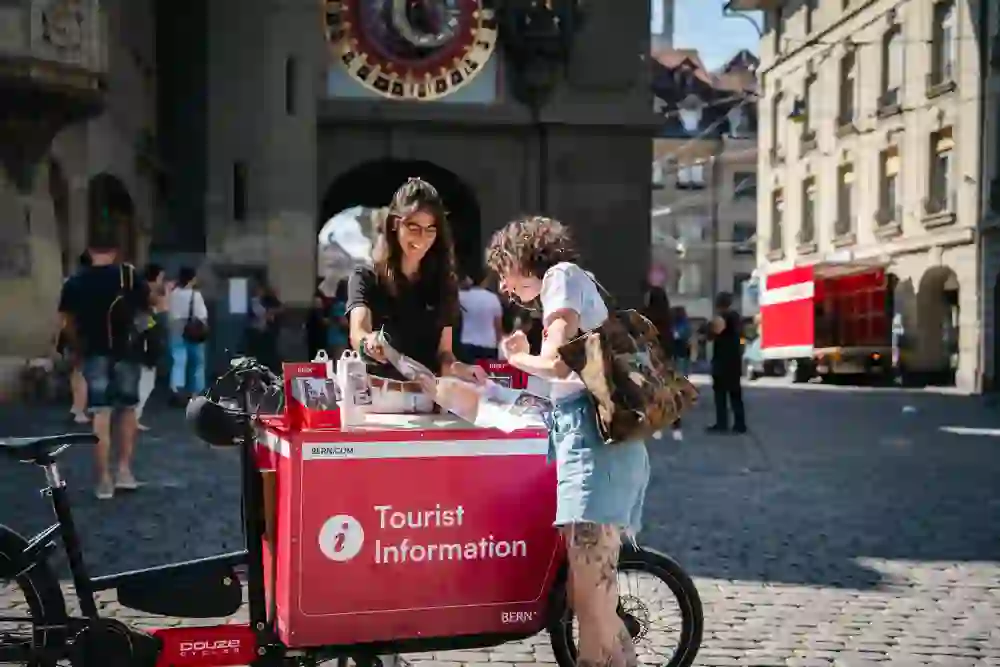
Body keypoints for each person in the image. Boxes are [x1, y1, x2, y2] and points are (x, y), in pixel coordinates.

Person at [486, 215, 646, 667]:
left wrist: (519, 357)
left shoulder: (561, 277)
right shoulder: (569, 287)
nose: (504, 287)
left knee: (592, 591)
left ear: (523, 258)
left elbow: (557, 365)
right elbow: (562, 378)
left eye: (504, 272)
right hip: (593, 443)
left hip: (597, 445)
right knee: (589, 591)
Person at [346, 177, 485, 386]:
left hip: (426, 400)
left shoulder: (443, 281)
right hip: (378, 399)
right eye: (414, 227)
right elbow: (358, 333)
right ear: (395, 224)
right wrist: (369, 344)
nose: (423, 238)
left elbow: (444, 354)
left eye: (430, 229)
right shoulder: (365, 276)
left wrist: (460, 369)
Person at [58, 232, 148, 499]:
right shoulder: (130, 277)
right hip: (127, 352)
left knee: (100, 413)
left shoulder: (74, 282)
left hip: (94, 352)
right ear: (116, 250)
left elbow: (66, 322)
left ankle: (104, 481)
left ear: (89, 250)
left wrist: (78, 347)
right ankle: (124, 471)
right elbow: (146, 312)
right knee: (128, 409)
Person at [644, 286, 683, 441]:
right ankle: (676, 428)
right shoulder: (669, 316)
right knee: (671, 392)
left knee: (653, 394)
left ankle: (656, 428)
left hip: (651, 357)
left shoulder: (645, 314)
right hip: (667, 357)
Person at [706, 291, 747, 434]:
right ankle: (740, 424)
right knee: (736, 394)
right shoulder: (737, 319)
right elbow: (742, 337)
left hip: (722, 361)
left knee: (720, 395)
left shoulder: (721, 318)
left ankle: (722, 423)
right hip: (734, 360)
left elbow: (711, 335)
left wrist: (708, 333)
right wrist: (740, 347)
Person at [59, 251, 92, 424]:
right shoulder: (96, 284)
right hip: (91, 331)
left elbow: (63, 312)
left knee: (76, 371)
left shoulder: (70, 283)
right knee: (84, 372)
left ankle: (76, 407)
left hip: (72, 329)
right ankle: (80, 409)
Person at [167, 267, 208, 405]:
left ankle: (177, 390)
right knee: (196, 362)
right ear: (192, 279)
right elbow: (202, 315)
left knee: (178, 361)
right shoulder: (195, 295)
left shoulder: (173, 293)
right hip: (193, 328)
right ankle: (195, 392)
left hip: (175, 327)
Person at [135, 264, 166, 430]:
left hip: (145, 344)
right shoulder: (145, 295)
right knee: (144, 382)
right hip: (145, 346)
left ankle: (135, 416)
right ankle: (134, 416)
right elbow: (148, 326)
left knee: (145, 382)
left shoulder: (140, 293)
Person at [457, 273, 503, 362]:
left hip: (466, 344)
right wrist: (499, 346)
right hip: (489, 344)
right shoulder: (493, 298)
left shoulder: (461, 297)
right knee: (487, 375)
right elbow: (498, 327)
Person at [248, 282, 282, 371]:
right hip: (257, 331)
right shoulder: (255, 302)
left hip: (264, 330)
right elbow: (263, 314)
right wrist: (271, 314)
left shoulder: (261, 301)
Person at [327, 279, 349, 359]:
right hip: (339, 340)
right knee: (340, 365)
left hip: (333, 339)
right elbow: (343, 322)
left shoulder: (335, 304)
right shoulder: (340, 306)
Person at [306, 288, 330, 360]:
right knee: (313, 356)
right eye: (315, 302)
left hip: (320, 338)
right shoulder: (313, 312)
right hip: (313, 338)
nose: (317, 304)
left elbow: (325, 322)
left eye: (318, 302)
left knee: (320, 357)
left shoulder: (323, 311)